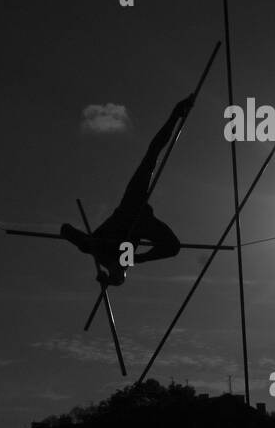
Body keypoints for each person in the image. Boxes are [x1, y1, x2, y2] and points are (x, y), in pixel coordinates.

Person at [60, 95, 192, 285]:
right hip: (139, 221)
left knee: (151, 159)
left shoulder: (99, 252)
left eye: (116, 270)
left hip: (130, 210)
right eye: (121, 270)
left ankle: (176, 113)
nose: (121, 267)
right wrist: (138, 259)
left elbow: (66, 230)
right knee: (172, 246)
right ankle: (176, 113)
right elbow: (171, 248)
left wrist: (91, 243)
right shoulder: (125, 260)